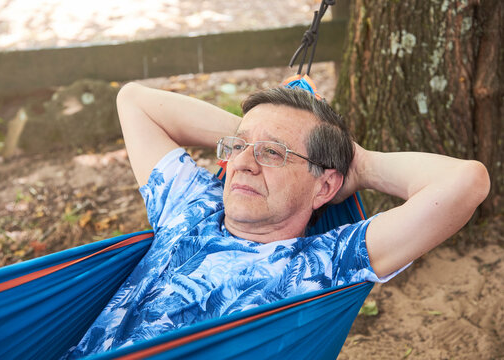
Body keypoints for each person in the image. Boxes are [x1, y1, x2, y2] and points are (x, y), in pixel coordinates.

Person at [65, 82, 490, 357]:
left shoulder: (325, 264)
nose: (243, 165)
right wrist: (260, 133)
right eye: (235, 148)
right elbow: (134, 101)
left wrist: (357, 165)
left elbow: (466, 181)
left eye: (273, 155)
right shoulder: (191, 203)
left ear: (324, 188)